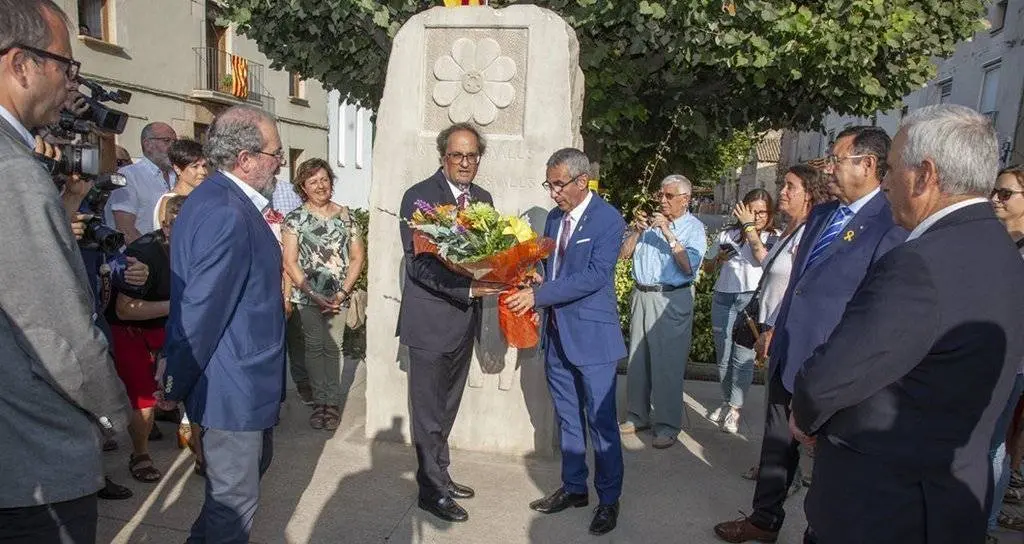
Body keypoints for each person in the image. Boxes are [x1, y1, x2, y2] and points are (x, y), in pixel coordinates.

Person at [790, 104, 1024, 544]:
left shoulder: (919, 264)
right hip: (949, 501)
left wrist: (804, 414)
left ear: (925, 174)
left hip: (883, 506)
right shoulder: (1002, 252)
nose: (887, 181)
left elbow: (833, 376)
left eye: (893, 167)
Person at [714, 125, 906, 543]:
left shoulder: (889, 226)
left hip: (835, 366)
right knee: (776, 447)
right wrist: (776, 331)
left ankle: (820, 532)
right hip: (789, 354)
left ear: (869, 165)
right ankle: (764, 521)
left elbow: (873, 310)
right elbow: (798, 283)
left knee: (831, 464)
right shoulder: (822, 215)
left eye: (836, 160)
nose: (829, 168)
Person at [0, 1, 131, 540]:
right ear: (21, 64)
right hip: (33, 461)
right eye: (66, 65)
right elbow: (60, 334)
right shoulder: (14, 172)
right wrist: (114, 415)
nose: (72, 84)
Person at [163, 105, 287, 543]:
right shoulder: (226, 212)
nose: (280, 165)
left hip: (239, 383)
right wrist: (173, 387)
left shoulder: (220, 200)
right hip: (232, 389)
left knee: (231, 501)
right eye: (277, 154)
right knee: (231, 511)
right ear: (246, 158)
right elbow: (199, 314)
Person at [506, 148, 627, 536]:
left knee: (601, 424)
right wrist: (538, 277)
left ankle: (609, 500)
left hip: (593, 338)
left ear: (580, 181)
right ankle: (575, 488)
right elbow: (552, 266)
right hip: (556, 335)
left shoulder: (608, 219)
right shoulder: (555, 219)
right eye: (549, 183)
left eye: (558, 184)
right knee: (568, 417)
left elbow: (594, 276)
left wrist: (540, 295)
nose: (552, 192)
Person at [397, 122, 502, 523]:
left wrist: (511, 273)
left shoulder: (484, 200)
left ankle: (441, 473)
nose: (465, 162)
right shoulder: (420, 198)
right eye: (457, 155)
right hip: (429, 322)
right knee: (427, 412)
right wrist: (467, 292)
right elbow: (419, 265)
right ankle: (431, 492)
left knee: (447, 408)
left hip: (464, 324)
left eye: (472, 155)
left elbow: (490, 256)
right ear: (443, 157)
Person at [739, 164, 833, 484]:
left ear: (809, 195)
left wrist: (773, 329)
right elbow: (767, 264)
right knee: (775, 411)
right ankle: (775, 471)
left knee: (790, 412)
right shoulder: (789, 231)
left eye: (790, 187)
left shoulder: (808, 235)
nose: (782, 191)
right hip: (771, 330)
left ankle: (790, 476)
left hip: (785, 334)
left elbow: (798, 287)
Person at [617, 174, 707, 449]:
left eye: (669, 196)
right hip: (642, 295)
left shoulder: (693, 228)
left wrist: (668, 232)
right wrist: (637, 231)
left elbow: (687, 267)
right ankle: (637, 415)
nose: (663, 201)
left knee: (668, 364)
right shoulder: (650, 225)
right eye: (661, 195)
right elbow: (624, 254)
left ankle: (667, 425)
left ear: (685, 199)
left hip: (670, 298)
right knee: (637, 360)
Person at [108, 195, 190, 483]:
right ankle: (140, 454)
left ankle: (203, 455)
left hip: (172, 330)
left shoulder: (203, 247)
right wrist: (180, 304)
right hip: (134, 332)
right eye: (179, 227)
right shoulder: (143, 254)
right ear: (166, 227)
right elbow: (125, 309)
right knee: (143, 398)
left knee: (192, 389)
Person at [282, 158, 365, 430]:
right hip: (307, 296)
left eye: (324, 179)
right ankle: (321, 403)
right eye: (313, 181)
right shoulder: (295, 219)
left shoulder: (346, 217)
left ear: (331, 181)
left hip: (336, 296)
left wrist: (341, 293)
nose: (320, 186)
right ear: (303, 187)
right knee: (316, 347)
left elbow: (357, 258)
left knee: (334, 346)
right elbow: (290, 261)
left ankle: (331, 403)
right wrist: (310, 292)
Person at [704, 188, 777, 434]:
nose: (757, 217)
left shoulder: (772, 237)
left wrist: (751, 230)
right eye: (752, 211)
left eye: (762, 212)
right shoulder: (727, 234)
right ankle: (727, 400)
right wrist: (718, 260)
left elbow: (762, 261)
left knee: (742, 357)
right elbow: (706, 268)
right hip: (723, 296)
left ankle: (735, 408)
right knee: (723, 354)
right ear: (742, 209)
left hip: (749, 300)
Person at [986, 165, 1024, 538]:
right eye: (994, 192)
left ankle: (987, 522)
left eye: (1006, 193)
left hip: (1011, 364)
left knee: (995, 445)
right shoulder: (990, 240)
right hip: (977, 358)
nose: (996, 199)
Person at [108, 121, 177, 243]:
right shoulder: (129, 176)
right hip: (139, 258)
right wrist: (154, 256)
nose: (173, 147)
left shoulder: (178, 176)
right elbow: (125, 229)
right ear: (148, 144)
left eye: (175, 142)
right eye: (167, 141)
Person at [152, 138, 207, 229]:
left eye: (204, 166)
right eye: (195, 166)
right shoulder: (168, 202)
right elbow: (169, 239)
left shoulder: (204, 196)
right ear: (177, 169)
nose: (203, 172)